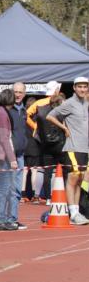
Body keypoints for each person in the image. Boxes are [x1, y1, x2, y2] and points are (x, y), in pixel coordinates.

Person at [47, 76, 89, 225]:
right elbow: (50, 116)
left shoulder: (86, 103)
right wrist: (64, 127)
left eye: (85, 87)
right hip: (73, 147)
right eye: (80, 87)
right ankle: (73, 213)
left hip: (85, 148)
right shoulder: (69, 103)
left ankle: (76, 211)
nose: (82, 89)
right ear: (74, 88)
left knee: (79, 180)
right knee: (73, 178)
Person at [0, 88, 24, 231]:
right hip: (2, 156)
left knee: (3, 189)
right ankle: (0, 219)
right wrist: (12, 159)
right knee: (3, 189)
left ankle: (1, 218)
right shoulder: (2, 114)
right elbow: (5, 139)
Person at [34, 93, 66, 202]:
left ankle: (48, 197)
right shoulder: (61, 114)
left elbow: (37, 130)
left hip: (46, 147)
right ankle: (62, 196)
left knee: (47, 173)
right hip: (60, 146)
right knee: (64, 171)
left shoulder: (41, 113)